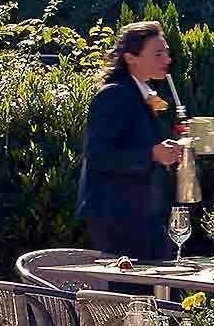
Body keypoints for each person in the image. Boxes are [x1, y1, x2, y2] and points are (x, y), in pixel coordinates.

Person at [76, 22, 184, 261]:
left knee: (166, 287)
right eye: (158, 53)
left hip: (145, 214)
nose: (166, 58)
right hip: (118, 218)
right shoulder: (113, 95)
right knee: (135, 293)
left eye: (166, 52)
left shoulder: (142, 94)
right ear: (131, 58)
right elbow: (98, 156)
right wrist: (152, 154)